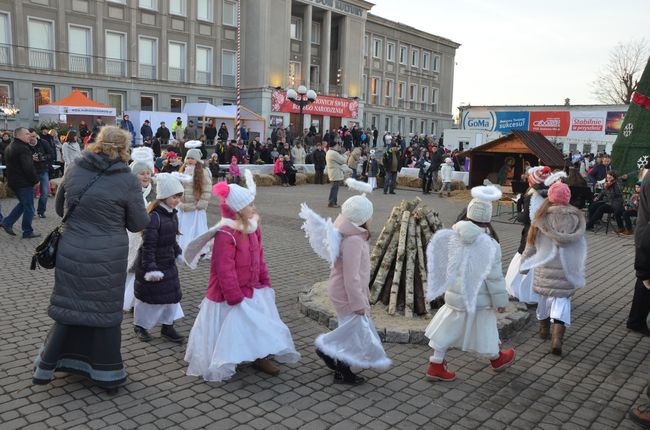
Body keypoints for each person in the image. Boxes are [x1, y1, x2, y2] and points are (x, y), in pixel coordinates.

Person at [32, 126, 150, 392]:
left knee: (70, 307)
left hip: (72, 249)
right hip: (107, 256)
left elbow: (61, 208)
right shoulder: (127, 178)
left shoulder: (74, 168)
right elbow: (137, 223)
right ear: (123, 149)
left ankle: (54, 362)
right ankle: (104, 373)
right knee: (102, 312)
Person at [183, 170, 300, 381]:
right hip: (228, 294)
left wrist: (264, 280)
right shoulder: (226, 234)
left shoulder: (253, 228)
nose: (254, 208)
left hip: (252, 287)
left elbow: (259, 256)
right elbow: (223, 269)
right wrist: (233, 295)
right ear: (237, 210)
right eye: (250, 205)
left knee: (256, 323)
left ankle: (259, 354)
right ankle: (224, 355)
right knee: (229, 328)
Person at [303, 179, 391, 385]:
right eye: (370, 216)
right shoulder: (353, 241)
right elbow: (351, 276)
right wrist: (359, 303)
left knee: (351, 330)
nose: (372, 220)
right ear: (361, 220)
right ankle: (339, 367)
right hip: (347, 294)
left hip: (346, 292)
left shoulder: (352, 236)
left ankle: (333, 356)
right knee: (352, 331)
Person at [424, 185, 515, 381]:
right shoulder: (490, 245)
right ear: (488, 219)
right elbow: (494, 277)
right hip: (478, 299)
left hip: (455, 295)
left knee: (446, 328)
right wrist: (500, 302)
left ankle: (436, 364)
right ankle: (497, 358)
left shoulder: (453, 237)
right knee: (485, 328)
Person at [520, 182, 587, 355]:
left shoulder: (541, 217)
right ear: (568, 198)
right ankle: (557, 339)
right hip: (566, 269)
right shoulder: (576, 218)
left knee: (543, 300)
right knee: (562, 302)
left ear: (550, 197)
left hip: (545, 267)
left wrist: (525, 265)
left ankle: (543, 330)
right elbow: (580, 247)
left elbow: (531, 245)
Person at [133, 173, 185, 343]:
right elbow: (148, 246)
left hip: (168, 262)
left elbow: (172, 238)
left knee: (172, 297)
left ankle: (167, 327)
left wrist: (178, 252)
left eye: (179, 196)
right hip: (153, 264)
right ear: (163, 196)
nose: (177, 200)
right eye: (174, 196)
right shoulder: (154, 217)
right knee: (148, 299)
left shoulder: (172, 214)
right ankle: (140, 326)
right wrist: (151, 268)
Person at [505, 166, 551, 305]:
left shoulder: (532, 195)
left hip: (531, 233)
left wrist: (518, 211)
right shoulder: (550, 194)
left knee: (523, 260)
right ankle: (538, 295)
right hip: (546, 234)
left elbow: (526, 218)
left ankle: (519, 293)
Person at [124, 147, 155, 312]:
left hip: (147, 235)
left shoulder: (154, 193)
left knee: (142, 267)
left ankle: (138, 299)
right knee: (131, 266)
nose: (146, 176)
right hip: (132, 235)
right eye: (142, 173)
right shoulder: (128, 193)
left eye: (148, 173)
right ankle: (128, 299)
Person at [1, 128, 40, 238]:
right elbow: (27, 168)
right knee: (29, 207)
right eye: (27, 134)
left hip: (14, 182)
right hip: (23, 183)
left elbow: (16, 163)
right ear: (19, 136)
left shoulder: (11, 146)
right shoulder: (23, 148)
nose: (30, 136)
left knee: (23, 204)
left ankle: (7, 222)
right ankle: (27, 231)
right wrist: (36, 180)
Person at [176, 146, 212, 256]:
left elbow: (207, 188)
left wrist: (201, 203)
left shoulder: (202, 172)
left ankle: (199, 249)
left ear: (197, 160)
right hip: (183, 206)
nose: (189, 160)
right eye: (188, 158)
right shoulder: (182, 171)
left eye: (192, 158)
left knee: (197, 229)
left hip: (195, 206)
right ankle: (183, 247)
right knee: (183, 228)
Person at [626, 175, 650, 339]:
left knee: (645, 280)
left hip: (645, 232)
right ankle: (636, 321)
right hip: (646, 234)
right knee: (645, 280)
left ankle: (636, 319)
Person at [326, 141, 348, 208]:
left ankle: (332, 202)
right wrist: (346, 155)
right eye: (336, 146)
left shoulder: (329, 152)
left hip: (333, 172)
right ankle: (332, 202)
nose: (338, 147)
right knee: (335, 188)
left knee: (334, 188)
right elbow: (343, 161)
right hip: (335, 172)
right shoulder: (333, 153)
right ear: (333, 146)